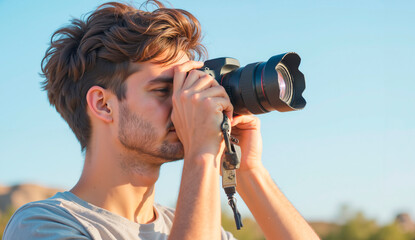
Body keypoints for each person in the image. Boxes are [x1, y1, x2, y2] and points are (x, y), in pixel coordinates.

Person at [3, 1, 319, 239]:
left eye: (192, 85)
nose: (189, 102)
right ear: (103, 105)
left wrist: (248, 170)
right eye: (165, 90)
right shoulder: (43, 225)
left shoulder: (202, 226)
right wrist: (200, 152)